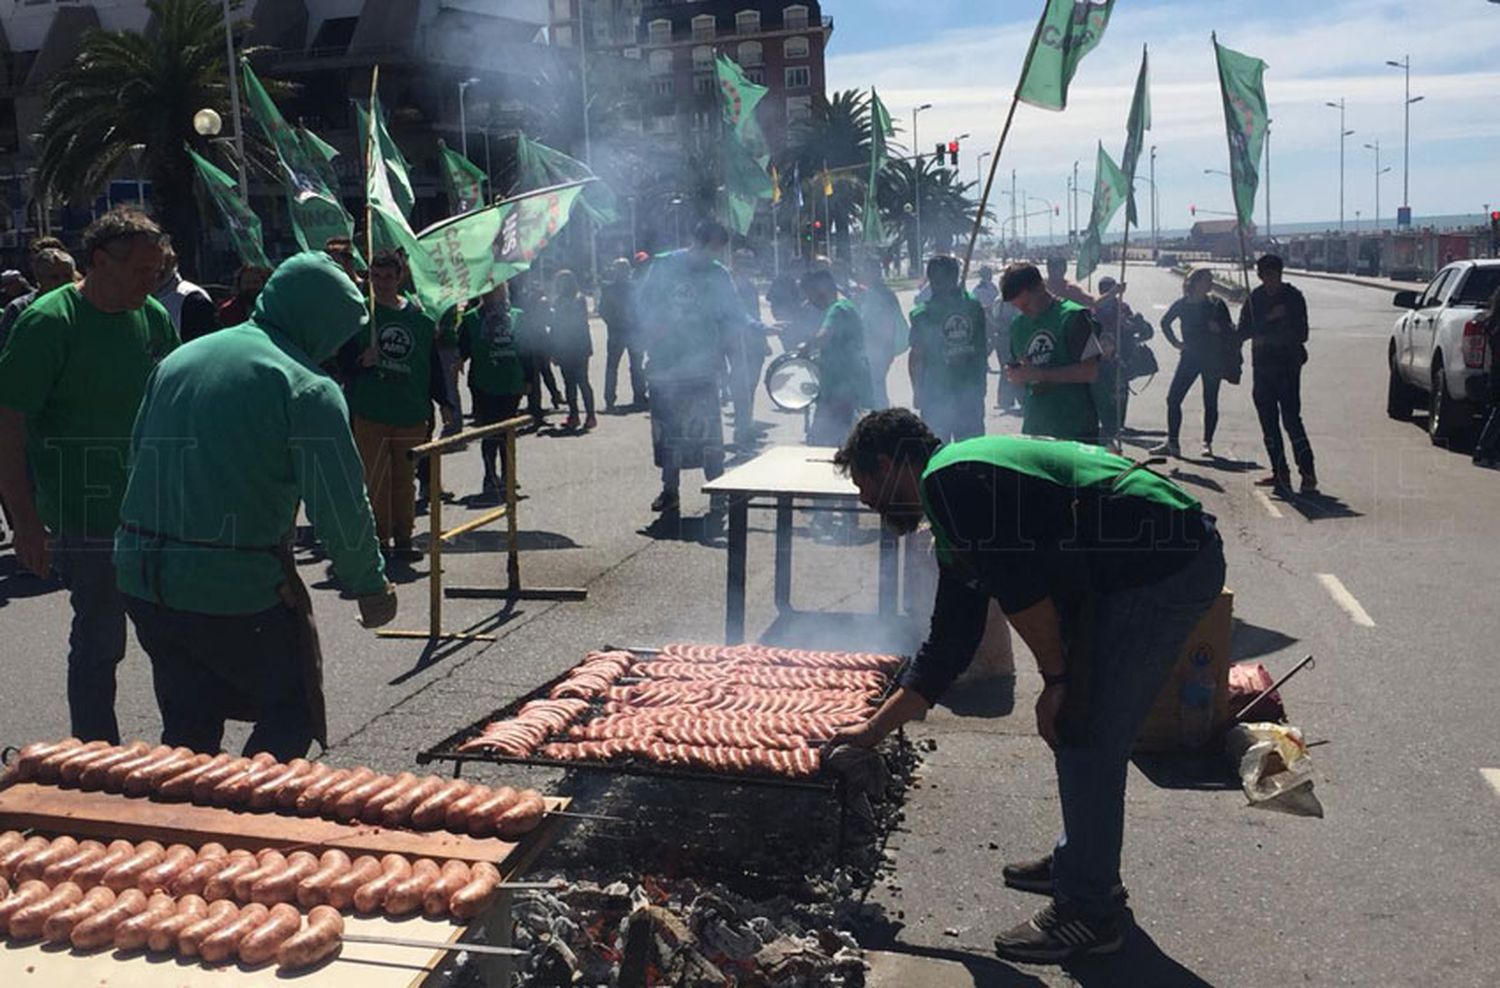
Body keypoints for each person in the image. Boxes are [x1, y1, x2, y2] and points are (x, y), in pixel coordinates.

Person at [827, 409, 1226, 963]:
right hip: (1139, 565)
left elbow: (1023, 594)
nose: (866, 502)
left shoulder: (951, 481)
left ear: (892, 464)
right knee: (1079, 726)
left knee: (1087, 733)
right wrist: (870, 731)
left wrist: (1057, 681)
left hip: (1163, 564)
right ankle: (1080, 861)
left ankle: (1090, 911)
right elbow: (950, 643)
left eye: (864, 484)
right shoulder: (958, 495)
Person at [114, 252, 396, 759]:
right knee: (289, 714)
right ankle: (245, 826)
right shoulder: (307, 387)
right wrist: (369, 583)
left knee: (188, 724)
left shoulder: (182, 359)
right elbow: (340, 505)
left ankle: (188, 825)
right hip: (233, 587)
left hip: (142, 576)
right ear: (320, 319)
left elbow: (135, 459)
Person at [0, 207, 178, 743]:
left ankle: (185, 755)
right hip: (87, 515)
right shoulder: (47, 324)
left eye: (158, 271)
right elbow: (7, 430)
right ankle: (95, 755)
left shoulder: (151, 316)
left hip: (156, 511)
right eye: (143, 270)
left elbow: (176, 401)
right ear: (99, 261)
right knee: (101, 641)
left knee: (176, 639)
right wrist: (27, 523)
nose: (154, 281)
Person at [636, 219, 746, 514]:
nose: (716, 255)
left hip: (702, 367)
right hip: (664, 365)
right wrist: (654, 329)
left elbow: (733, 315)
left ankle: (718, 491)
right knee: (668, 431)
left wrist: (753, 330)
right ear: (698, 242)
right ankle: (670, 491)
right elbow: (643, 304)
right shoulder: (663, 266)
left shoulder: (719, 274)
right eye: (713, 249)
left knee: (708, 432)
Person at [346, 250, 440, 559]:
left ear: (400, 277)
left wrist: (446, 403)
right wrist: (360, 363)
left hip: (410, 411)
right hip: (370, 411)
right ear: (369, 277)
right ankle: (380, 537)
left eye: (389, 276)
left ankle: (404, 536)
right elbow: (339, 361)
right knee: (375, 478)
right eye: (376, 276)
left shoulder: (419, 318)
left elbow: (432, 364)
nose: (383, 283)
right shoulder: (359, 316)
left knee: (404, 479)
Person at [1238, 254, 1317, 493]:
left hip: (1287, 367)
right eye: (1265, 275)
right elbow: (1242, 332)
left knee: (1292, 420)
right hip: (1262, 367)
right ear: (1260, 276)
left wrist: (1276, 329)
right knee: (1268, 423)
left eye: (1274, 275)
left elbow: (1302, 334)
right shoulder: (1255, 299)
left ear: (1281, 274)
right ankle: (1279, 471)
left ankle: (1308, 473)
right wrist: (1267, 320)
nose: (1270, 280)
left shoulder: (1293, 298)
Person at [1001, 263, 1103, 443]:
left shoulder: (1073, 317)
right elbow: (1021, 367)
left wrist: (1041, 374)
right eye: (1018, 307)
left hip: (1074, 427)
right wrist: (1015, 374)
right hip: (1036, 427)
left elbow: (1090, 371)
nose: (1024, 311)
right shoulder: (1018, 326)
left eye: (1027, 304)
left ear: (1040, 287)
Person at [1151, 268, 1235, 458]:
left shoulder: (1216, 304)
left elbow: (1231, 330)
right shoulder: (1183, 304)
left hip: (1212, 358)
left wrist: (1219, 328)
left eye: (1211, 280)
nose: (1210, 284)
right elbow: (1165, 323)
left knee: (1210, 400)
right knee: (1173, 399)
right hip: (1190, 357)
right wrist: (1176, 343)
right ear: (1194, 283)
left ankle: (1207, 442)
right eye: (1206, 280)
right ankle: (1172, 442)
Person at [908, 255, 987, 442]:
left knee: (941, 452)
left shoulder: (923, 314)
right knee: (966, 453)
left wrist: (917, 391)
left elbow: (916, 359)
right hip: (951, 395)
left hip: (954, 395)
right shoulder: (973, 307)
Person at [461, 281, 529, 495]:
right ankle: (490, 477)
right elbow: (462, 349)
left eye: (499, 290)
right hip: (484, 383)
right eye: (490, 291)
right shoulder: (471, 318)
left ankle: (508, 475)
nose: (494, 295)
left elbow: (527, 350)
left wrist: (529, 380)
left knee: (508, 433)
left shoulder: (517, 316)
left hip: (511, 383)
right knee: (490, 433)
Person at [801, 269, 873, 448]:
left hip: (841, 388)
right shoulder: (846, 306)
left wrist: (806, 347)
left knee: (826, 439)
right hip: (845, 384)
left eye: (810, 294)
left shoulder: (838, 309)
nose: (810, 300)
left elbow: (824, 335)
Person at [726, 253, 770, 449]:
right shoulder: (730, 286)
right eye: (743, 263)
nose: (746, 266)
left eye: (748, 263)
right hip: (739, 343)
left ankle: (745, 423)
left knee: (750, 385)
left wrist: (764, 339)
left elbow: (756, 314)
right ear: (735, 264)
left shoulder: (749, 286)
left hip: (754, 342)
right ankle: (742, 428)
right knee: (742, 385)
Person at [855, 257, 908, 409]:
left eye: (867, 271)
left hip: (879, 350)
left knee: (876, 388)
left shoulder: (884, 294)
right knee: (874, 387)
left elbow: (888, 324)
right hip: (871, 349)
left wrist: (887, 349)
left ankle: (881, 418)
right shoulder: (867, 293)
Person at [0, 248, 76, 351]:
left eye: (67, 276)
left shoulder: (81, 306)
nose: (63, 282)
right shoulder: (19, 309)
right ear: (39, 278)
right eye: (54, 277)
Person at [548, 269, 597, 431]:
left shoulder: (576, 300)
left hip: (575, 347)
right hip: (570, 348)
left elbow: (570, 325)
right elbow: (555, 328)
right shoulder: (565, 301)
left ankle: (588, 415)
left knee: (580, 382)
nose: (560, 286)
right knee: (572, 383)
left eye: (562, 282)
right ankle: (575, 415)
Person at [599, 257, 647, 410]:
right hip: (619, 332)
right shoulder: (609, 288)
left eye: (624, 269)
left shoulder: (635, 287)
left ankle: (636, 396)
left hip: (630, 332)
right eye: (620, 269)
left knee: (633, 366)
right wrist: (613, 323)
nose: (622, 272)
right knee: (617, 366)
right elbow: (603, 311)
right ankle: (611, 398)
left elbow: (641, 309)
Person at [152, 240, 218, 342]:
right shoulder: (136, 297)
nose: (157, 268)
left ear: (173, 260)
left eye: (163, 261)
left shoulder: (194, 299)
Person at [1473, 286, 1500, 468]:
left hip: (1495, 370)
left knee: (1495, 410)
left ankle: (1488, 453)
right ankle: (1483, 451)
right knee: (1497, 412)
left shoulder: (1491, 320)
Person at [216, 264, 271, 329]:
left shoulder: (272, 308)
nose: (252, 286)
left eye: (256, 282)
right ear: (239, 285)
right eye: (247, 283)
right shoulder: (227, 311)